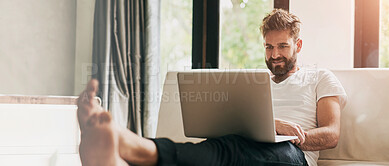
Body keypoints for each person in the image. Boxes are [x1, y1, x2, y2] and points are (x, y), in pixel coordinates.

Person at [77, 9, 347, 166]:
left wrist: (289, 133)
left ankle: (135, 148)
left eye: (282, 46)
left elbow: (331, 134)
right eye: (269, 46)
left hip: (293, 156)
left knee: (228, 151)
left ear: (297, 46)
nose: (275, 54)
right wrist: (267, 125)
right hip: (246, 146)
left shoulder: (319, 77)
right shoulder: (255, 82)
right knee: (217, 149)